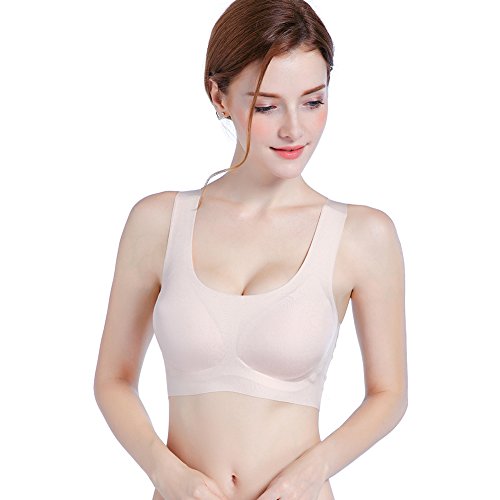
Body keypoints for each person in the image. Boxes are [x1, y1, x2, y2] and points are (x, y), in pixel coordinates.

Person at [93, 1, 408, 499]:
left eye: (313, 102)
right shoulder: (158, 223)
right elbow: (113, 378)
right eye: (266, 106)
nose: (294, 129)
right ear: (218, 96)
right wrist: (166, 474)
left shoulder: (363, 235)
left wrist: (311, 473)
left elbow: (389, 395)